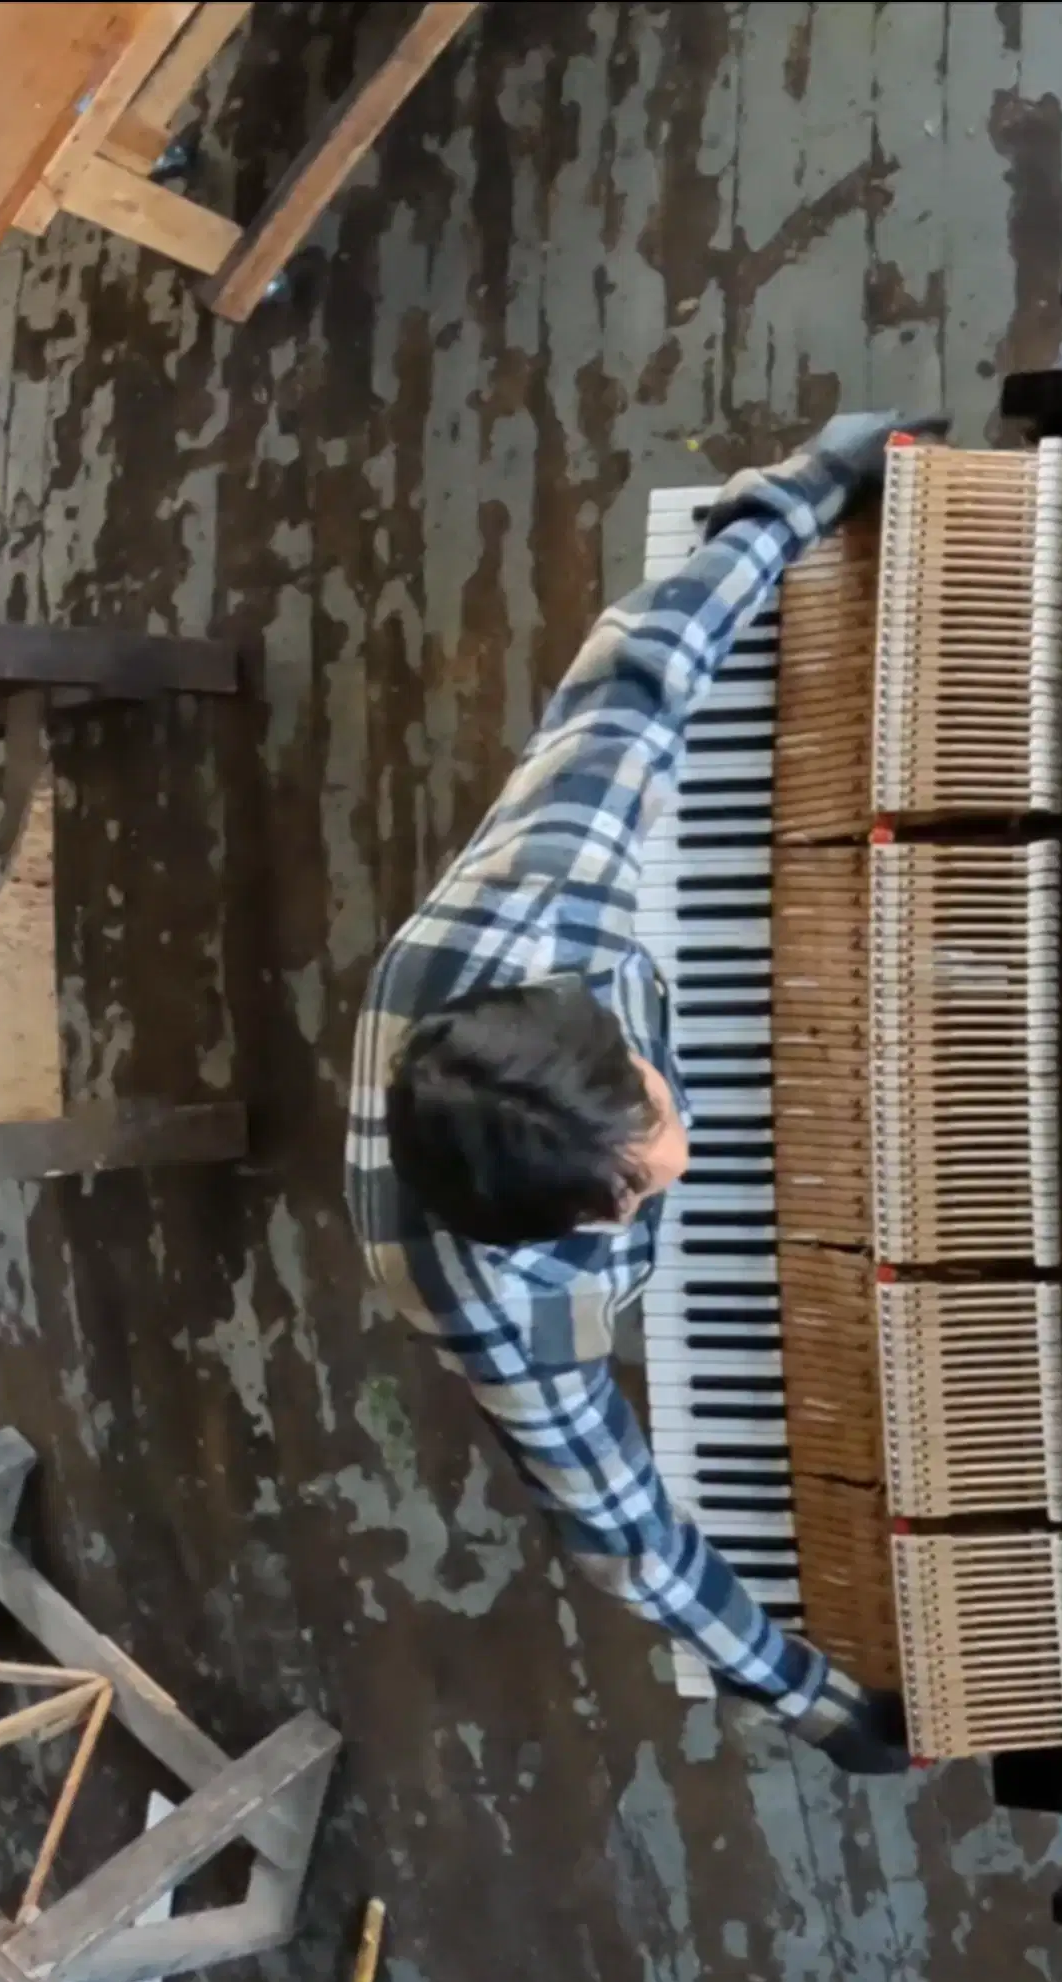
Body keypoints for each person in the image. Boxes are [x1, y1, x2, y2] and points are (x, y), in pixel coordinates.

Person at [348, 412, 913, 1772]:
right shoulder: (486, 1313)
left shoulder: (543, 908)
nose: (691, 1151)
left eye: (656, 1113)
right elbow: (633, 1545)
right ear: (551, 1236)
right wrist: (820, 1704)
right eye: (641, 1189)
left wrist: (804, 492)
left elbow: (642, 678)